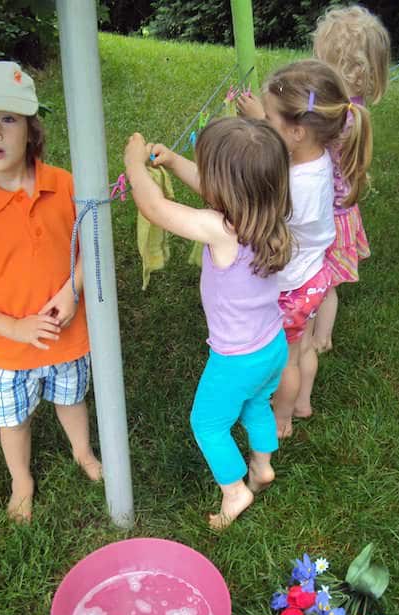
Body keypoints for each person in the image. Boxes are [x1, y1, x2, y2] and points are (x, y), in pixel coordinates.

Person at [0, 61, 102, 524]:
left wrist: (72, 289)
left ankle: (83, 453)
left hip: (66, 335)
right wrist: (13, 327)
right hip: (6, 353)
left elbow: (92, 242)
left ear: (30, 129)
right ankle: (21, 481)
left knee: (71, 400)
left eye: (7, 118)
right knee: (15, 422)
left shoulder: (65, 185)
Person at [124, 118, 292, 528]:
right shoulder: (269, 215)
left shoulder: (220, 229)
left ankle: (234, 492)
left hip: (236, 359)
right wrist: (176, 161)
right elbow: (215, 186)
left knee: (207, 423)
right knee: (256, 403)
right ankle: (263, 466)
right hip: (273, 346)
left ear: (226, 189)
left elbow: (156, 209)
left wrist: (133, 164)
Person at [239, 59, 373, 438]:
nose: (265, 123)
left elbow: (261, 214)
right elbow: (281, 147)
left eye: (270, 118)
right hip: (315, 279)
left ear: (298, 131)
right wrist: (266, 121)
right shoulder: (319, 159)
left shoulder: (292, 181)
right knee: (304, 350)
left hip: (291, 287)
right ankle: (302, 402)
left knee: (285, 361)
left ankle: (281, 417)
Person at [311, 4, 391, 352]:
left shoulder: (330, 117)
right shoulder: (354, 110)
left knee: (313, 281)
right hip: (344, 214)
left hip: (322, 215)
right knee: (327, 285)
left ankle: (310, 335)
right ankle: (322, 337)